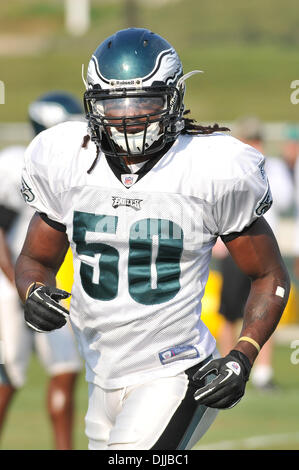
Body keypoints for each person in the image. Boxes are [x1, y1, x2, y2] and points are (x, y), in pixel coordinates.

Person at [15, 28, 290, 450]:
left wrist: (242, 355)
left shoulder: (209, 167)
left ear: (174, 99)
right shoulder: (66, 159)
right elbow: (35, 259)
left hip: (175, 374)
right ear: (92, 105)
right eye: (113, 104)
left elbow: (269, 274)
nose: (127, 117)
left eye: (143, 102)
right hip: (101, 375)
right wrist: (32, 290)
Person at [0, 92, 83, 450]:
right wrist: (17, 283)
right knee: (9, 376)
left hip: (42, 283)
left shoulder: (74, 167)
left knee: (65, 369)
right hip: (11, 282)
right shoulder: (15, 163)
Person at [215, 116, 294, 390]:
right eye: (249, 139)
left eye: (257, 139)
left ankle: (261, 370)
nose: (254, 144)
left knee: (266, 307)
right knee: (229, 312)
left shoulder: (270, 167)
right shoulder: (229, 165)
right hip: (235, 246)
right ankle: (226, 364)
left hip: (263, 246)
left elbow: (283, 198)